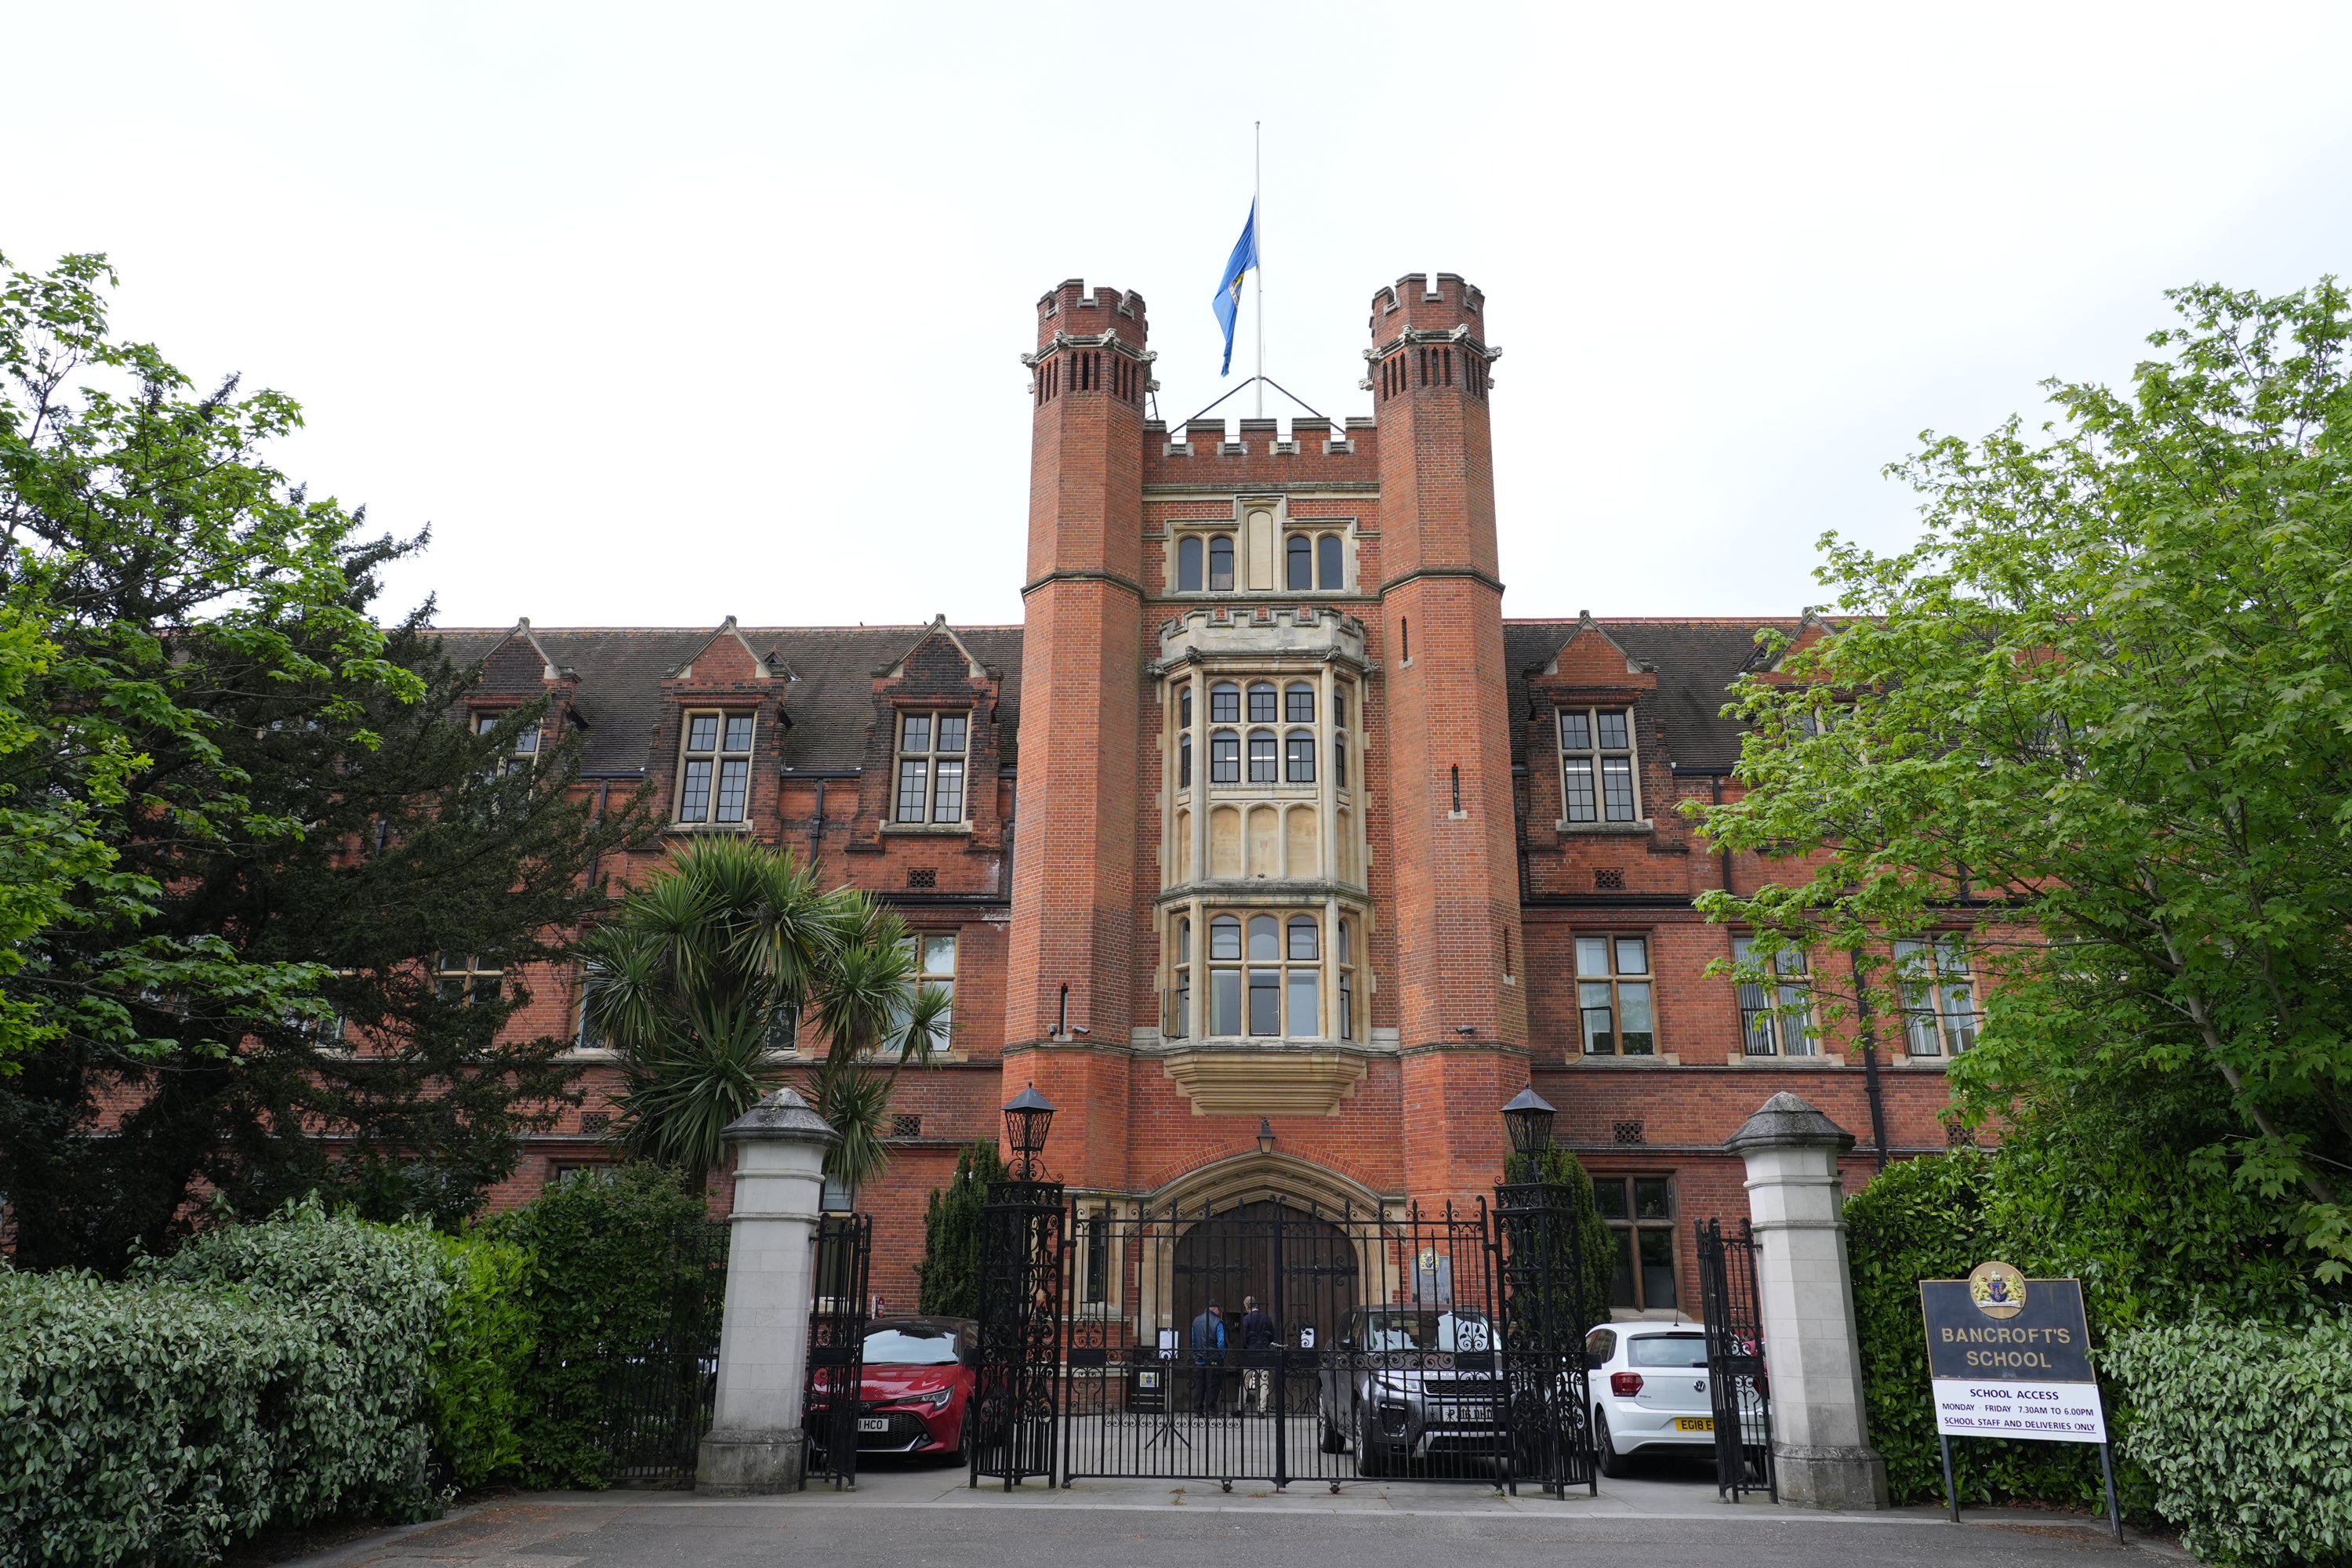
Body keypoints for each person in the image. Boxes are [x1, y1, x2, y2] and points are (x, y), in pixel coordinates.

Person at [1239, 1295, 1279, 1415]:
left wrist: (1245, 1349)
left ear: (1247, 1307)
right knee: (1264, 1382)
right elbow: (1272, 1335)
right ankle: (1261, 1410)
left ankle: (1241, 1408)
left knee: (1245, 1381)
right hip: (1264, 1354)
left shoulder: (1246, 1319)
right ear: (1256, 1305)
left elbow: (1243, 1338)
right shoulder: (1266, 1318)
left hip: (1250, 1354)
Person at [1189, 1300, 1226, 1415]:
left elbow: (1193, 1340)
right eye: (1219, 1310)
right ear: (1215, 1308)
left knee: (1200, 1384)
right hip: (1213, 1358)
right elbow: (1221, 1342)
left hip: (1200, 1358)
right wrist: (1222, 1355)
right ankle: (1211, 1408)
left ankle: (1198, 1409)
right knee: (1213, 1384)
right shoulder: (1218, 1322)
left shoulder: (1196, 1321)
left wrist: (1196, 1354)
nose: (1219, 1312)